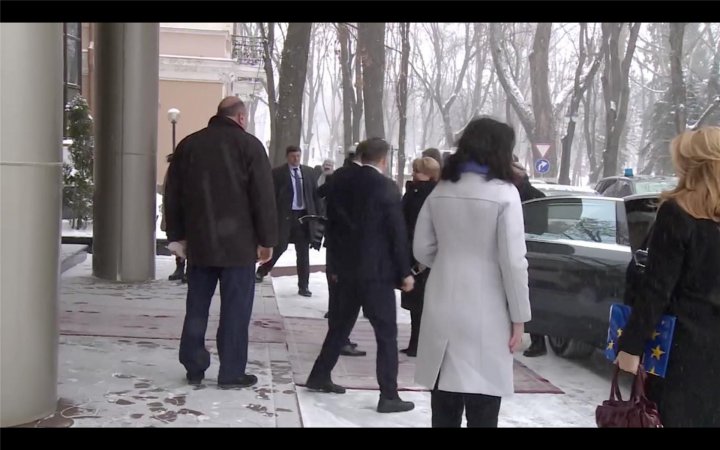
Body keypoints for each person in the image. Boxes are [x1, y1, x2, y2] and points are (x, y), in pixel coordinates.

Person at [413, 117, 532, 427]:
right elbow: (514, 262)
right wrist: (520, 318)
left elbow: (421, 248)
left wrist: (450, 259)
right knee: (482, 410)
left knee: (444, 409)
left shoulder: (440, 191)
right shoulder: (504, 194)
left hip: (442, 302)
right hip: (487, 314)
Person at [164, 96, 278, 388]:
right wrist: (266, 239)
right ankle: (231, 371)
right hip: (239, 247)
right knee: (236, 312)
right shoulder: (250, 146)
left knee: (197, 308)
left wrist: (177, 235)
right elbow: (263, 197)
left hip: (201, 244)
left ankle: (194, 366)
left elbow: (172, 193)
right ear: (240, 118)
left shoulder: (189, 145)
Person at [616, 126, 720, 427]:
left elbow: (656, 289)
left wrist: (631, 345)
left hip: (681, 353)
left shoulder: (677, 212)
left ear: (693, 164)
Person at [305, 137, 416, 414]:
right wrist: (405, 271)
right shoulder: (386, 187)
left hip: (345, 268)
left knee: (340, 326)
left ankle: (319, 375)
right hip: (376, 272)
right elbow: (396, 232)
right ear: (384, 159)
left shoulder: (340, 180)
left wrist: (333, 266)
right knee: (386, 334)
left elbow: (332, 224)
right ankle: (388, 394)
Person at [316, 150, 366, 357]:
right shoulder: (359, 178)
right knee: (343, 296)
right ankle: (339, 340)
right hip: (350, 242)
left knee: (336, 293)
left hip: (335, 239)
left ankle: (339, 338)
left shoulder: (338, 176)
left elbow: (319, 193)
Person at [256, 146, 322, 297]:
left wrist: (318, 215)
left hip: (303, 217)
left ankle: (303, 286)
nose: (296, 159)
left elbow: (315, 195)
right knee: (280, 246)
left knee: (303, 252)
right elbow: (271, 196)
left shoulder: (309, 172)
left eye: (298, 156)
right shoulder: (278, 174)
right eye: (293, 156)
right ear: (287, 157)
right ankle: (262, 270)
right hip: (285, 216)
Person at [400, 157, 440, 357]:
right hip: (411, 249)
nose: (415, 174)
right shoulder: (413, 192)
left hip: (423, 254)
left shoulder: (431, 194)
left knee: (421, 302)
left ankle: (420, 343)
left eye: (419, 171)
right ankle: (415, 342)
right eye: (414, 170)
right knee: (415, 302)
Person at [511, 155, 548, 357]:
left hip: (529, 251)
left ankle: (537, 340)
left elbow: (541, 227)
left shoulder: (530, 196)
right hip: (528, 250)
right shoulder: (514, 193)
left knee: (530, 297)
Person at [161, 153, 186, 283]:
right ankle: (180, 267)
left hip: (188, 210)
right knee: (178, 240)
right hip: (176, 210)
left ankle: (186, 269)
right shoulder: (174, 170)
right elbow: (168, 193)